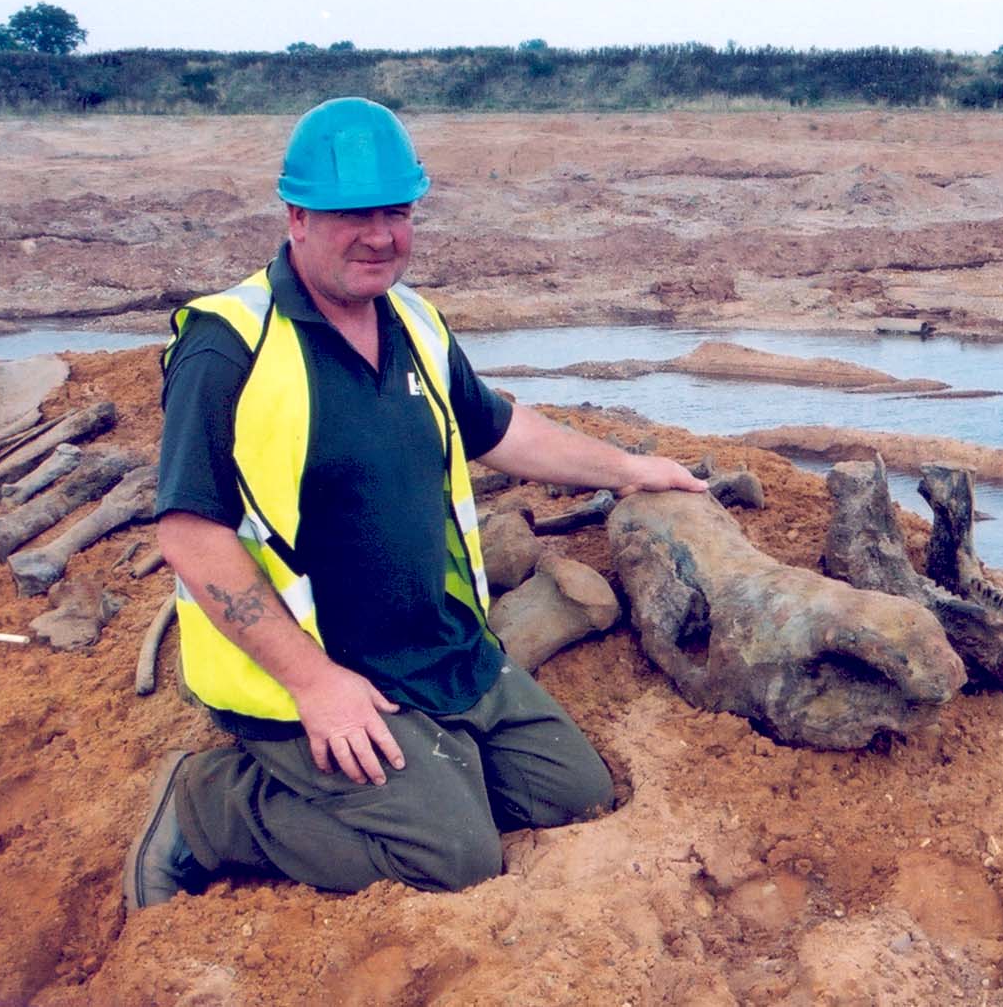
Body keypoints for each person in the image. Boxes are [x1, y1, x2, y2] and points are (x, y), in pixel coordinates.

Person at [124, 97, 705, 911]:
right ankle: (211, 806)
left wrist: (631, 468)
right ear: (296, 214)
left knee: (574, 792)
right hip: (317, 673)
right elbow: (190, 535)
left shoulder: (416, 322)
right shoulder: (229, 346)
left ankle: (432, 762)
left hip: (437, 646)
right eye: (350, 214)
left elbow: (497, 430)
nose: (379, 235)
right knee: (458, 856)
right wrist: (314, 682)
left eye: (395, 212)